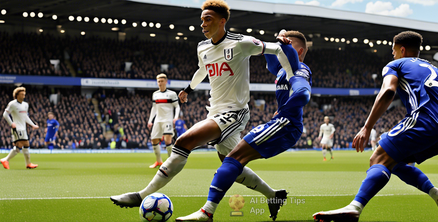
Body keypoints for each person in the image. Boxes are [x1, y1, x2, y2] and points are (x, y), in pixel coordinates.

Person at [111, 1, 298, 220]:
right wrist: (188, 89)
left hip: (235, 112)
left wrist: (292, 82)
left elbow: (277, 49)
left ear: (222, 21)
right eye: (201, 19)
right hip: (215, 111)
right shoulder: (202, 47)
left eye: (207, 19)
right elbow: (202, 70)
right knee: (230, 163)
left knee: (183, 141)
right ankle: (273, 195)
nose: (202, 24)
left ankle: (142, 195)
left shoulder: (241, 43)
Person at [313, 31, 438, 222]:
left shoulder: (397, 64)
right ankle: (436, 194)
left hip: (423, 121)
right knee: (393, 162)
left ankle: (354, 208)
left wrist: (367, 127)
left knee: (377, 158)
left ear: (401, 50)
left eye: (393, 51)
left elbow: (388, 90)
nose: (392, 55)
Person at [175, 29, 310, 222]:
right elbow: (272, 59)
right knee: (232, 160)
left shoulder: (300, 70)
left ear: (297, 52)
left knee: (232, 160)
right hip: (282, 124)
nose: (281, 49)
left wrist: (284, 109)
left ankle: (207, 212)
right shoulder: (282, 70)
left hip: (285, 124)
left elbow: (303, 94)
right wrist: (276, 42)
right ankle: (274, 196)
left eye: (285, 47)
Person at [1, 87, 39, 169]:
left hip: (23, 128)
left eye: (24, 94)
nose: (23, 96)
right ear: (17, 95)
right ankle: (7, 160)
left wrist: (33, 125)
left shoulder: (26, 105)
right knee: (22, 145)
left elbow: (25, 117)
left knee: (22, 146)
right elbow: (5, 114)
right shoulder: (12, 104)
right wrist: (11, 123)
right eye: (22, 94)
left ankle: (27, 163)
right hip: (17, 128)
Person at [147, 74, 180, 168]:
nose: (160, 83)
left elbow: (177, 106)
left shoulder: (172, 94)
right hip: (158, 120)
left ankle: (172, 162)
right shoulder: (155, 94)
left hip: (167, 120)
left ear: (166, 82)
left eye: (162, 81)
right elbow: (154, 108)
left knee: (167, 141)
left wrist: (176, 117)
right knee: (154, 140)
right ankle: (159, 162)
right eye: (158, 81)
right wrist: (150, 120)